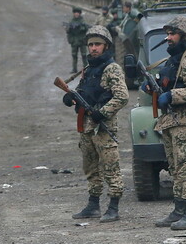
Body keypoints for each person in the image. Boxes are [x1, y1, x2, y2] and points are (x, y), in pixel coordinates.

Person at [144, 15, 186, 230]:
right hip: (170, 121)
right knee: (175, 168)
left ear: (185, 36)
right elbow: (166, 82)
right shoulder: (172, 60)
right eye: (167, 34)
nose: (168, 38)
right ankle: (179, 210)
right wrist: (153, 87)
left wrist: (171, 96)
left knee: (184, 167)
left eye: (173, 34)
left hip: (184, 121)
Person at [63, 25, 128, 223]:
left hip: (103, 128)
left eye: (97, 44)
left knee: (110, 167)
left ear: (106, 46)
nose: (93, 48)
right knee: (90, 167)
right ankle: (93, 205)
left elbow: (122, 97)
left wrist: (103, 113)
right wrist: (71, 97)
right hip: (86, 126)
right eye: (91, 44)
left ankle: (113, 207)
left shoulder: (112, 68)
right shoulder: (89, 68)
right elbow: (84, 93)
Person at [66, 7, 89, 73]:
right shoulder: (71, 21)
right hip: (74, 41)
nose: (76, 14)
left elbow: (86, 28)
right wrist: (70, 40)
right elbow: (68, 32)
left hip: (81, 41)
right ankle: (74, 69)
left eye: (77, 13)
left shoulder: (82, 21)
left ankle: (86, 68)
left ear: (79, 14)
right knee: (74, 55)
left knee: (84, 55)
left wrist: (81, 27)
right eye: (75, 13)